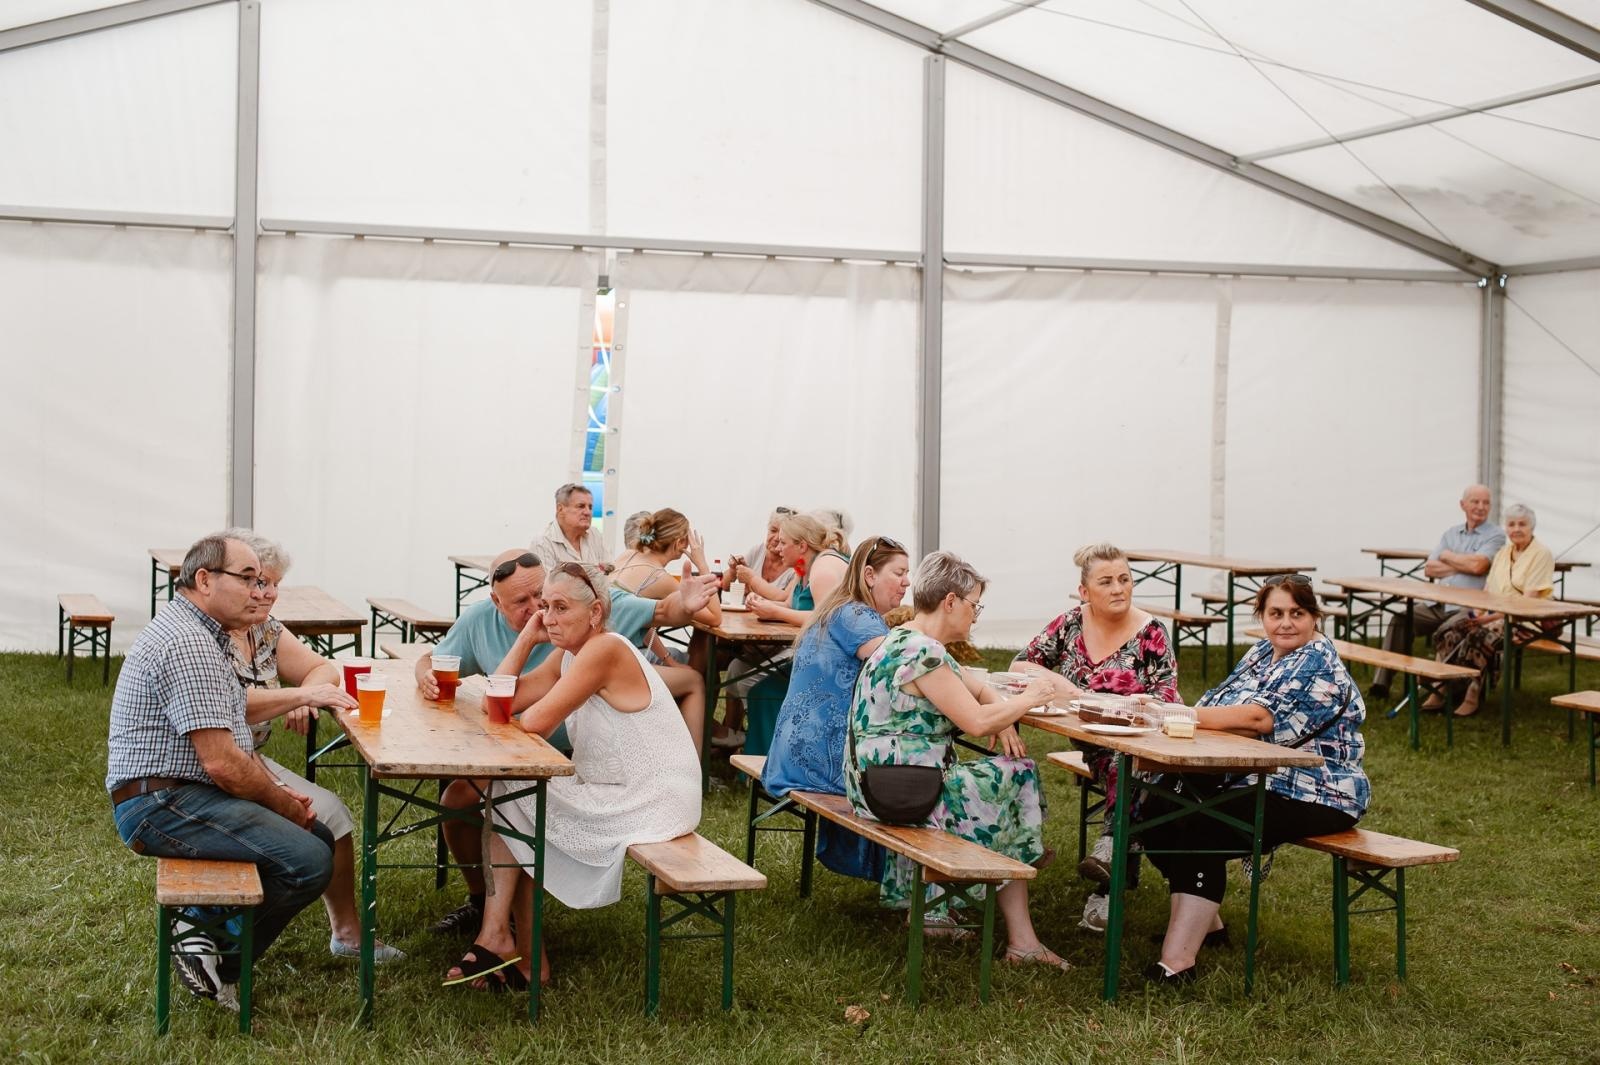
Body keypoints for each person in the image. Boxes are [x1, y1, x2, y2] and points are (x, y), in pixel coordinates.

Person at [419, 548, 717, 938]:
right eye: (544, 606)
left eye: (558, 607)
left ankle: (504, 939)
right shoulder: (569, 653)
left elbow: (534, 722)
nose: (546, 617)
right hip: (618, 787)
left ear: (594, 613)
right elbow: (500, 701)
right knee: (512, 796)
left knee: (514, 798)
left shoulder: (604, 649)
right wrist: (528, 636)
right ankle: (499, 935)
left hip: (655, 798)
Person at [107, 534, 334, 1009]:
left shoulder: (202, 633)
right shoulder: (190, 643)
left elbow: (234, 744)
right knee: (308, 861)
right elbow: (221, 762)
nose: (260, 592)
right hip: (159, 804)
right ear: (205, 580)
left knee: (320, 838)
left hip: (182, 792)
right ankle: (213, 954)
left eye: (263, 581)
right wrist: (281, 802)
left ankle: (207, 937)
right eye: (248, 579)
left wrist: (276, 791)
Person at [843, 552, 1068, 969]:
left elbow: (978, 690)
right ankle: (1021, 930)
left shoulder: (903, 639)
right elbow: (977, 721)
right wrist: (1027, 700)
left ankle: (944, 908)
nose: (977, 616)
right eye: (974, 605)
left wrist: (1003, 715)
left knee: (1005, 779)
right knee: (1018, 775)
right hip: (901, 791)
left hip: (873, 784)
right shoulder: (924, 655)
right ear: (950, 602)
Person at [1139, 575, 1368, 984]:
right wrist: (1183, 712)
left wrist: (1179, 714)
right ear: (1261, 616)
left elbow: (1258, 719)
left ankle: (1176, 965)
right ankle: (1206, 927)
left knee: (1204, 825)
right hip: (1256, 775)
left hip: (1319, 790)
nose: (1285, 623)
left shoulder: (1317, 659)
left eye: (1297, 614)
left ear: (1314, 616)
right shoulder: (1263, 652)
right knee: (1157, 808)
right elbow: (1217, 702)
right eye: (1275, 613)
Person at [221, 530, 403, 963]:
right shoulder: (215, 634)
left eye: (274, 584)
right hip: (219, 763)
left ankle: (347, 933)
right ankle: (225, 940)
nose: (267, 594)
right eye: (258, 582)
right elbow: (229, 705)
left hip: (251, 757)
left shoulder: (262, 630)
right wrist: (299, 697)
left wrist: (309, 690)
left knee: (335, 814)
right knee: (308, 826)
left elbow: (323, 668)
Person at [1015, 542, 1178, 934]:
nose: (1118, 588)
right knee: (1119, 766)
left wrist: (1123, 706)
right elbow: (1021, 664)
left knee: (1130, 767)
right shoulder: (1071, 623)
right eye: (1106, 582)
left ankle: (1110, 865)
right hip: (1092, 741)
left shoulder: (1150, 632)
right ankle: (1116, 860)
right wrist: (1062, 685)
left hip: (1138, 741)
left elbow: (1168, 699)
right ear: (1085, 591)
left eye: (1125, 579)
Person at [761, 535, 912, 879]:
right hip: (819, 762)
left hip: (791, 754)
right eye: (899, 572)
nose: (907, 582)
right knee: (918, 775)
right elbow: (904, 672)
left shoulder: (838, 609)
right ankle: (914, 888)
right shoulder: (859, 617)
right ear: (870, 576)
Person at [1370, 484, 1505, 699]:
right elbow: (1429, 568)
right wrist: (1464, 562)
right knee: (1400, 620)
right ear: (1463, 505)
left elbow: (1478, 566)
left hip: (1468, 606)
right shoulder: (1451, 532)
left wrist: (1448, 556)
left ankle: (1437, 688)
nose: (1481, 507)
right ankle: (1381, 683)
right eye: (1475, 501)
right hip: (1437, 602)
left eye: (1486, 502)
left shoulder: (1496, 535)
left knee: (1445, 630)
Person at [1430, 503, 1556, 717]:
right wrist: (1477, 613)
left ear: (1532, 527)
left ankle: (1473, 693)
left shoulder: (1541, 553)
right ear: (1506, 527)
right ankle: (1441, 686)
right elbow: (1487, 589)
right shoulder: (1503, 552)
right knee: (1451, 630)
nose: (1516, 529)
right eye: (1511, 524)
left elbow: (1526, 605)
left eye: (1522, 524)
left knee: (1479, 637)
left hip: (1525, 620)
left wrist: (1486, 620)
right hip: (1492, 614)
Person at [713, 507, 800, 748]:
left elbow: (785, 599)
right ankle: (729, 734)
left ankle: (750, 739)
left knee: (734, 669)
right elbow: (727, 588)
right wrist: (733, 570)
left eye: (782, 536)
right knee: (725, 664)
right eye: (773, 530)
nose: (776, 540)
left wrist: (752, 580)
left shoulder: (797, 564)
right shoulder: (758, 552)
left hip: (782, 640)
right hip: (752, 632)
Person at [610, 507, 723, 660]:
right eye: (687, 540)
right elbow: (715, 618)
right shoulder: (658, 577)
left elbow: (637, 616)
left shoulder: (628, 555)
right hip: (618, 656)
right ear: (679, 543)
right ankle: (698, 681)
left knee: (674, 655)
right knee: (688, 662)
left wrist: (667, 659)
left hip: (602, 643)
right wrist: (702, 564)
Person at [530, 482, 609, 569]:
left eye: (590, 507)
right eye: (581, 506)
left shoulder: (595, 535)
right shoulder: (542, 542)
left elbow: (610, 572)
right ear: (560, 509)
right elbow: (548, 582)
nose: (587, 512)